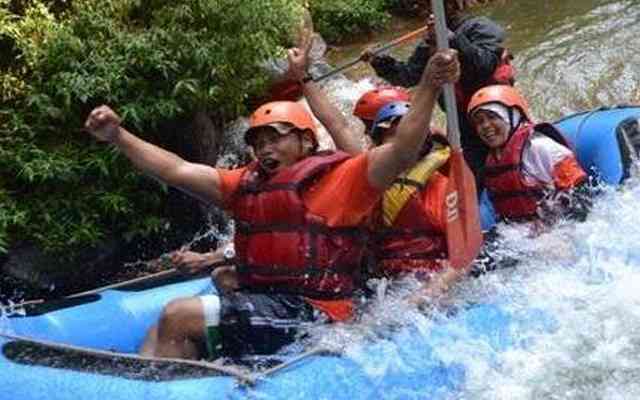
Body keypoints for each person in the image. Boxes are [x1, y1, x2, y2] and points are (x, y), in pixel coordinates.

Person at [83, 48, 460, 360]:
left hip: (319, 313)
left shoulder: (345, 179)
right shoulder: (244, 183)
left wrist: (427, 85)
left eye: (276, 138)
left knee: (179, 314)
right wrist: (119, 135)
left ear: (307, 144)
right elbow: (177, 170)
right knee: (181, 309)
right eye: (258, 142)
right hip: (271, 302)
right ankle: (154, 379)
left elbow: (402, 148)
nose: (265, 148)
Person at [288, 41, 468, 306]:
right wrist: (303, 76)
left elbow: (462, 259)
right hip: (381, 287)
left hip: (428, 288)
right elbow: (335, 124)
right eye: (390, 136)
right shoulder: (369, 173)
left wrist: (425, 296)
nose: (401, 143)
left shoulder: (441, 187)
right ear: (378, 143)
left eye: (404, 136)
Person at [362, 0, 515, 187]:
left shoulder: (480, 27)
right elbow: (409, 76)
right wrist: (379, 61)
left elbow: (484, 64)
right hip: (461, 122)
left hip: (493, 113)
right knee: (471, 178)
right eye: (424, 7)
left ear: (451, 5)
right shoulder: (430, 42)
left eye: (431, 6)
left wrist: (449, 38)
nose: (427, 11)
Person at [466, 84, 590, 225]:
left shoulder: (540, 147)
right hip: (520, 232)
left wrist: (550, 225)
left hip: (557, 229)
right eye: (479, 121)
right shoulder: (492, 160)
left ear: (513, 116)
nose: (485, 126)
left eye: (492, 117)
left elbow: (581, 194)